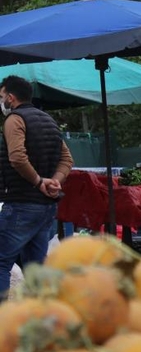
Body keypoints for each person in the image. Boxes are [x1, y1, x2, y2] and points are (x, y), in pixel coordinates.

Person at [0, 76, 74, 301]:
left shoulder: (15, 119)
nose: (2, 101)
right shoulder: (49, 121)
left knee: (1, 262)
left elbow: (17, 158)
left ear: (11, 98)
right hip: (45, 208)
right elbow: (67, 159)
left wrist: (40, 182)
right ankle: (41, 318)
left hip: (22, 205)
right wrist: (55, 181)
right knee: (36, 268)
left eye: (2, 97)